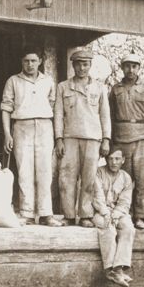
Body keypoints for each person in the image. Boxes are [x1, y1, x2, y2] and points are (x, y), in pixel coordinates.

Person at [0, 47, 62, 227]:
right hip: (22, 126)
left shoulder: (48, 81)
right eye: (26, 61)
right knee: (25, 169)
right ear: (21, 62)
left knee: (45, 171)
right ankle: (26, 213)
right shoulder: (13, 81)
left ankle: (45, 214)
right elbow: (6, 108)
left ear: (40, 61)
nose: (30, 64)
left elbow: (52, 104)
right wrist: (7, 134)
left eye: (33, 61)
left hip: (44, 126)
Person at [54, 50, 111, 227]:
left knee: (88, 178)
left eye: (85, 64)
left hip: (93, 138)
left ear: (90, 65)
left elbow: (105, 115)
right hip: (70, 137)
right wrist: (59, 138)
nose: (82, 68)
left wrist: (106, 139)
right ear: (73, 65)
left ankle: (85, 214)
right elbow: (58, 114)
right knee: (66, 177)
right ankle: (69, 215)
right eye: (78, 64)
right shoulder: (63, 86)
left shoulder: (100, 87)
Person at [108, 53, 144, 230]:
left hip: (141, 139)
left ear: (139, 68)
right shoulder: (116, 89)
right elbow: (110, 115)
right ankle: (125, 214)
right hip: (121, 140)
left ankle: (141, 216)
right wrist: (110, 141)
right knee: (124, 180)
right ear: (122, 68)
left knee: (142, 179)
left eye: (134, 66)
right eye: (127, 66)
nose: (131, 70)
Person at [92, 149, 135, 287]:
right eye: (110, 158)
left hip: (118, 213)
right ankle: (110, 270)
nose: (113, 162)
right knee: (108, 228)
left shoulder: (126, 177)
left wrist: (116, 214)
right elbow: (97, 197)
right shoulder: (98, 172)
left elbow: (125, 201)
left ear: (123, 160)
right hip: (100, 212)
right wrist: (106, 214)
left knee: (128, 227)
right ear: (106, 159)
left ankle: (118, 269)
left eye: (117, 159)